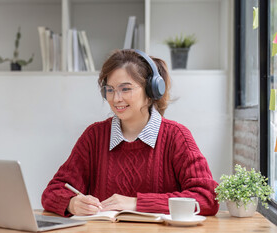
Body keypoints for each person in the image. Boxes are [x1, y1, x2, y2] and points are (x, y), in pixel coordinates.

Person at [41, 49, 219, 217]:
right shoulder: (94, 136)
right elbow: (53, 191)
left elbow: (207, 198)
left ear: (151, 91)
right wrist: (72, 203)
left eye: (125, 89)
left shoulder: (176, 136)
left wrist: (136, 203)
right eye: (110, 89)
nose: (116, 98)